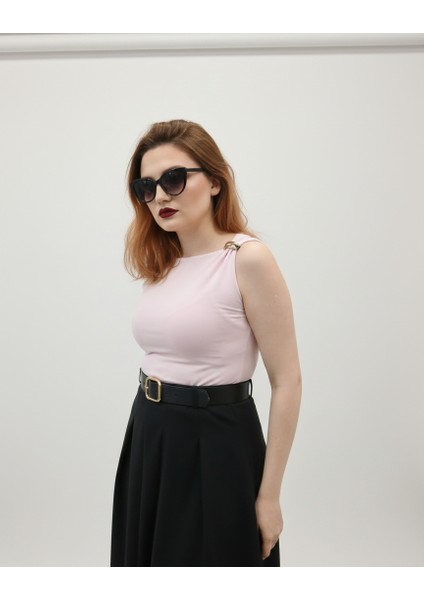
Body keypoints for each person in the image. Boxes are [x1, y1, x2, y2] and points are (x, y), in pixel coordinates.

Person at [110, 119, 302, 567]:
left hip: (216, 441)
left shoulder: (247, 258)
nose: (160, 196)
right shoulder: (163, 262)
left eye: (174, 179)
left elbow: (287, 380)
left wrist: (269, 496)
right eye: (146, 187)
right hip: (149, 434)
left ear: (215, 181)